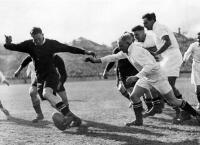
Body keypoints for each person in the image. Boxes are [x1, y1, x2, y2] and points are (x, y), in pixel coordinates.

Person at [85, 33, 200, 126]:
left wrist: (136, 76)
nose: (119, 47)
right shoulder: (127, 51)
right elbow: (113, 57)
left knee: (173, 101)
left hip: (157, 77)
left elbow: (150, 66)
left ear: (128, 43)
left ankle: (196, 114)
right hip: (146, 77)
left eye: (121, 45)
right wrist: (95, 61)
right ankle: (138, 121)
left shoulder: (136, 51)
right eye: (118, 45)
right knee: (134, 96)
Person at [4, 27, 95, 129]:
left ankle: (68, 115)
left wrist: (86, 52)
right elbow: (15, 47)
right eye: (35, 39)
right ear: (32, 38)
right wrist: (7, 44)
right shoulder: (29, 44)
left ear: (43, 34)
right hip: (40, 77)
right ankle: (73, 118)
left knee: (47, 93)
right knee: (49, 99)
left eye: (39, 38)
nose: (37, 41)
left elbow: (68, 48)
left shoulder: (52, 44)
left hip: (51, 74)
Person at [142, 13, 190, 122]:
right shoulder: (155, 30)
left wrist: (156, 53)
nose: (145, 25)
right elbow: (160, 44)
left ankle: (183, 112)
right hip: (167, 58)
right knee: (164, 85)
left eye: (146, 22)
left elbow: (167, 42)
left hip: (172, 57)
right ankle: (179, 110)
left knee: (167, 85)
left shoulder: (158, 27)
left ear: (152, 20)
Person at [14, 55, 81, 126]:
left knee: (63, 98)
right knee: (33, 92)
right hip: (39, 78)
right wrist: (19, 70)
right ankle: (39, 115)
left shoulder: (57, 58)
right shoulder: (37, 52)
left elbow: (63, 74)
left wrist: (60, 84)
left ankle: (69, 116)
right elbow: (28, 59)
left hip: (53, 78)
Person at [183, 32, 200, 110]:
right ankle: (199, 103)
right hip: (196, 68)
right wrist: (184, 61)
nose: (198, 40)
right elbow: (187, 53)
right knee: (198, 88)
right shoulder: (193, 45)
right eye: (198, 38)